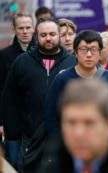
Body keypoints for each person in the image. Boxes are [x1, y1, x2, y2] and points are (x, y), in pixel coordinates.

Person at [2, 17, 76, 173]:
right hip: (29, 137)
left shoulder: (73, 63)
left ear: (58, 35)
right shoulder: (22, 62)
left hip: (64, 137)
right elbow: (10, 100)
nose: (48, 38)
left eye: (52, 34)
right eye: (43, 35)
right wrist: (12, 133)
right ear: (36, 36)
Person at [44, 29, 108, 136]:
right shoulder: (62, 79)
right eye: (84, 50)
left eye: (93, 50)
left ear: (99, 52)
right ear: (75, 52)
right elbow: (51, 115)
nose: (89, 55)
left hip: (100, 141)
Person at [0, 12, 36, 170]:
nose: (25, 31)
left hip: (36, 121)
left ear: (33, 28)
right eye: (21, 28)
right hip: (12, 121)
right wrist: (1, 122)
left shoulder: (42, 53)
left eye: (28, 27)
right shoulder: (4, 55)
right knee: (13, 163)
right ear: (14, 29)